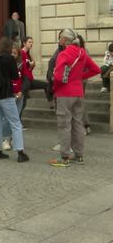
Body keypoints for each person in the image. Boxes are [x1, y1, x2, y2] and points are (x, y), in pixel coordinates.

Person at [49, 29, 100, 167]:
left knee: (64, 124)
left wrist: (54, 88)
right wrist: (78, 78)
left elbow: (59, 77)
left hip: (65, 93)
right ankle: (79, 156)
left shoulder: (63, 54)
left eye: (60, 38)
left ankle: (65, 157)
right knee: (77, 124)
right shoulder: (82, 52)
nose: (59, 40)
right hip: (78, 92)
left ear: (65, 40)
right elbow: (96, 69)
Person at [0, 37, 30, 163]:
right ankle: (20, 152)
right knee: (15, 123)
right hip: (5, 94)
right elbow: (15, 76)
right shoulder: (8, 58)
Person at [20, 36, 51, 119]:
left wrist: (32, 65)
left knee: (46, 85)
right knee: (23, 102)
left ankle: (51, 102)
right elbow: (21, 66)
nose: (31, 44)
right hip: (25, 80)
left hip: (30, 79)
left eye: (32, 42)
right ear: (24, 43)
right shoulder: (21, 53)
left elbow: (29, 68)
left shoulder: (28, 54)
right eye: (29, 42)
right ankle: (17, 123)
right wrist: (28, 64)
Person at [1, 43, 24, 151]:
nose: (13, 55)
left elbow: (26, 80)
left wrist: (21, 91)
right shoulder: (4, 64)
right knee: (6, 118)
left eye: (15, 53)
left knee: (16, 118)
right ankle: (6, 139)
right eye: (11, 53)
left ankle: (14, 138)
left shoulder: (22, 65)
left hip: (19, 95)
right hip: (8, 95)